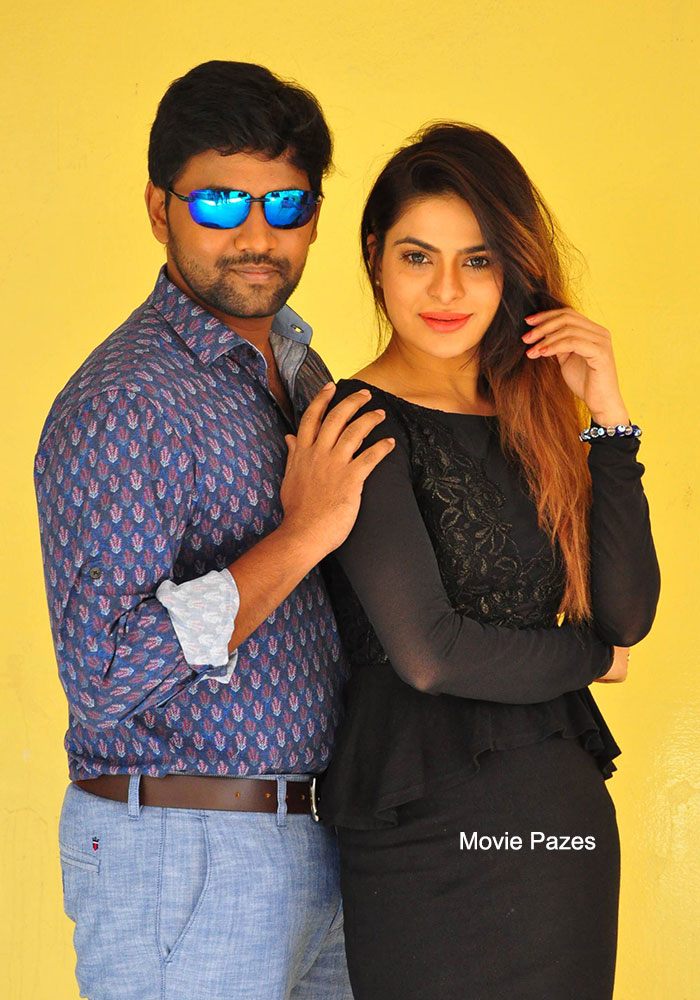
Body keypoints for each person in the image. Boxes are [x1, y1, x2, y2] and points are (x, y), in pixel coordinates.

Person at [33, 60, 395, 1000]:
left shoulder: (303, 372)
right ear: (160, 209)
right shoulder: (129, 400)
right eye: (222, 202)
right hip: (184, 850)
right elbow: (105, 678)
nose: (257, 236)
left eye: (286, 205)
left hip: (321, 843)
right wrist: (302, 534)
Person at [311, 122, 661, 1000]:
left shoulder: (537, 418)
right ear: (374, 257)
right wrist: (590, 659)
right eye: (418, 257)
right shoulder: (357, 419)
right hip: (421, 827)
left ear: (512, 270)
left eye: (477, 260)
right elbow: (430, 654)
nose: (446, 290)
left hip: (559, 829)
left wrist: (608, 420)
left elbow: (627, 614)